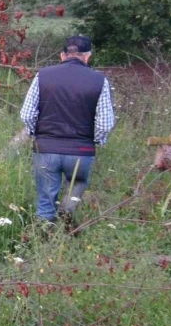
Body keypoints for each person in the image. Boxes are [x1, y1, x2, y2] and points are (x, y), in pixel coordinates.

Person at [19, 35, 115, 231]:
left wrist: (35, 134)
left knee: (45, 202)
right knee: (77, 183)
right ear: (87, 56)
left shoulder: (43, 75)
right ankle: (68, 208)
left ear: (63, 55)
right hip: (81, 150)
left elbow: (27, 114)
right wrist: (94, 140)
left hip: (46, 149)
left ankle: (44, 244)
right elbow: (105, 124)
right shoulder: (99, 80)